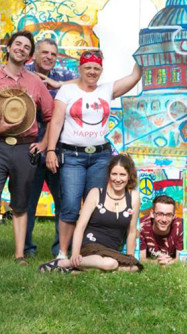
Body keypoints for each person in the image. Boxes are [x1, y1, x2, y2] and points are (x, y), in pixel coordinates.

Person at [45, 49, 141, 260]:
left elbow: (134, 76)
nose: (92, 72)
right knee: (70, 205)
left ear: (101, 71)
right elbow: (57, 121)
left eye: (96, 68)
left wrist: (144, 51)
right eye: (88, 67)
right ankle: (62, 253)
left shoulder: (106, 90)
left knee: (95, 206)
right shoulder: (67, 91)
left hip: (100, 157)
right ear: (80, 68)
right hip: (72, 156)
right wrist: (51, 150)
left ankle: (86, 249)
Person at [0, 30, 54, 266]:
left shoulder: (35, 82)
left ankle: (20, 256)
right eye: (17, 44)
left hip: (25, 149)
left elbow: (50, 115)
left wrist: (44, 143)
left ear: (30, 55)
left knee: (20, 203)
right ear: (8, 48)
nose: (21, 48)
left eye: (26, 47)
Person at [38, 154, 142, 273]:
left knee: (133, 267)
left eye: (122, 174)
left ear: (129, 176)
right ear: (109, 174)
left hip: (111, 250)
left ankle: (74, 271)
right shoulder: (96, 193)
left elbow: (132, 231)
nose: (118, 179)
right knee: (110, 263)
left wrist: (129, 257)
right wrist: (75, 254)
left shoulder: (133, 197)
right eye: (114, 174)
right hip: (91, 246)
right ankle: (65, 263)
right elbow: (80, 226)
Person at [23, 38, 77, 258]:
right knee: (27, 202)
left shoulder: (62, 75)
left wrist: (57, 85)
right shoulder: (23, 73)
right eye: (44, 53)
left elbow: (84, 80)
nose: (48, 58)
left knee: (65, 201)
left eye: (53, 55)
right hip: (30, 149)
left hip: (58, 150)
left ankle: (62, 249)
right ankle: (25, 249)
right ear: (34, 55)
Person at [139, 195, 183, 265]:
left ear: (174, 216)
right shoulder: (141, 226)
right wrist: (157, 262)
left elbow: (180, 259)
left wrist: (171, 262)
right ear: (152, 214)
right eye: (160, 214)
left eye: (169, 214)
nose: (164, 220)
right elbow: (141, 259)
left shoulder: (180, 227)